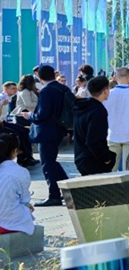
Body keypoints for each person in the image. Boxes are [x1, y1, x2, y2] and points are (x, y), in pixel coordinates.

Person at [30, 65, 71, 207]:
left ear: (39, 77)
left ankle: (54, 195)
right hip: (59, 129)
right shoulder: (63, 88)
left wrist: (28, 115)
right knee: (51, 162)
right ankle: (69, 189)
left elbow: (42, 114)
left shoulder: (46, 91)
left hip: (46, 131)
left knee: (47, 164)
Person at [73, 77, 116, 176]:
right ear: (105, 91)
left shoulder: (81, 106)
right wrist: (106, 158)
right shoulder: (98, 110)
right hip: (93, 159)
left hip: (80, 156)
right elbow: (93, 140)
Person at [0, 134, 35, 237]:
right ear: (15, 151)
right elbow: (24, 200)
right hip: (8, 223)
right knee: (26, 207)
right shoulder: (21, 171)